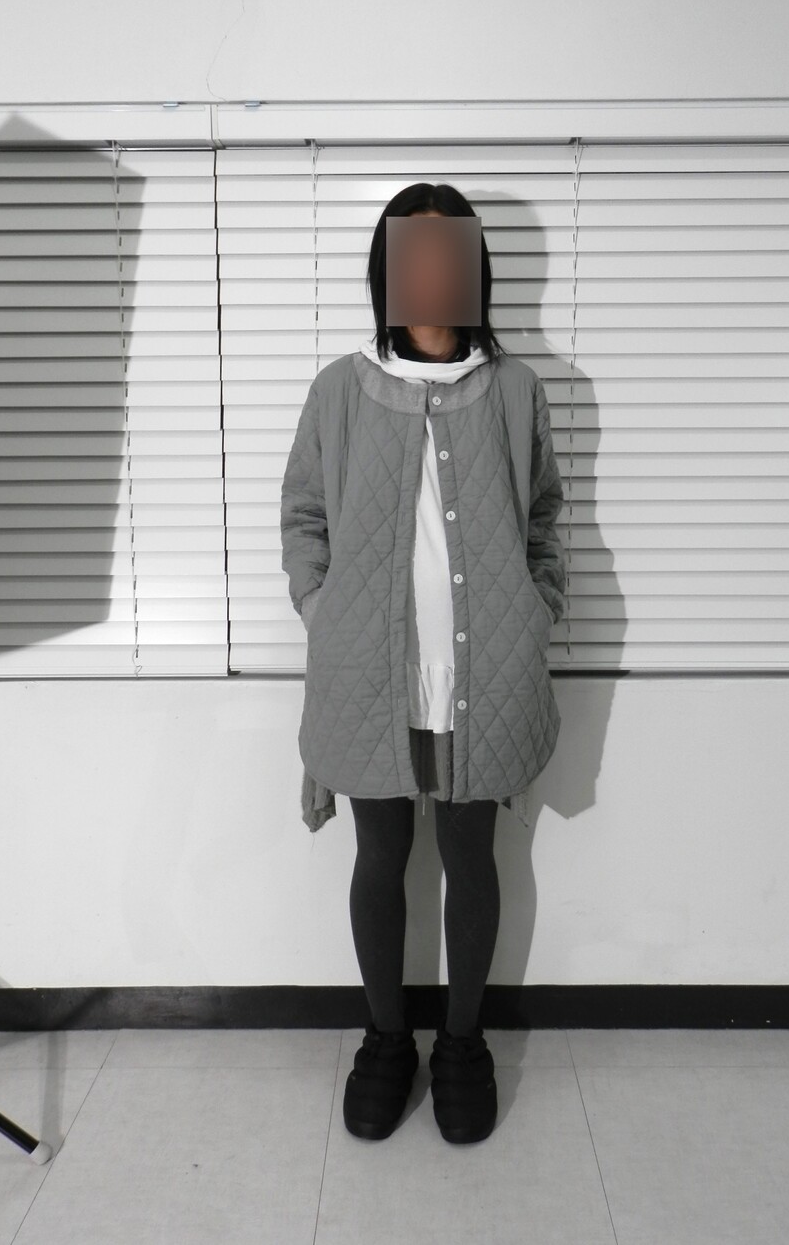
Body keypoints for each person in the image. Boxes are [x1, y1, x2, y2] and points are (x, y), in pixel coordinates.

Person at [280, 182, 565, 1145]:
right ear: (390, 271)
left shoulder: (516, 389)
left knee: (472, 856)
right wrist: (322, 611)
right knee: (381, 856)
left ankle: (463, 1043)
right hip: (371, 675)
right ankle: (385, 1038)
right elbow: (305, 514)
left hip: (483, 677)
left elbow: (545, 517)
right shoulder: (339, 388)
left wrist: (538, 607)